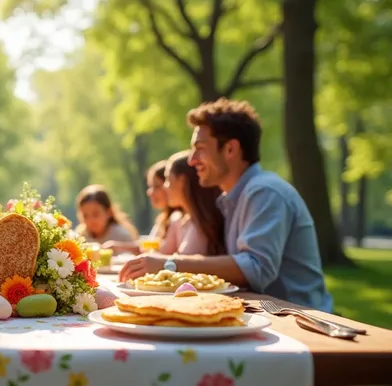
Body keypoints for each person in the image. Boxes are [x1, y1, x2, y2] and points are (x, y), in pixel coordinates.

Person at [120, 99, 333, 312]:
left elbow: (255, 269)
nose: (192, 160)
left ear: (230, 149)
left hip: (301, 320)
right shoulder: (234, 197)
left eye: (200, 149)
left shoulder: (265, 191)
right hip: (269, 314)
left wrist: (170, 264)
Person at [159, 150, 225, 256]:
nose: (165, 187)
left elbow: (184, 264)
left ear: (182, 181)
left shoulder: (201, 225)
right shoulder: (189, 220)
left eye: (168, 179)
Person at [75, 184, 138, 251]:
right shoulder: (80, 236)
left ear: (109, 212)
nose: (90, 220)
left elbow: (139, 252)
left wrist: (118, 247)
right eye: (85, 216)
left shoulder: (121, 235)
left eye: (95, 214)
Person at [145, 160, 179, 240]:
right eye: (150, 187)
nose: (150, 192)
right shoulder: (163, 218)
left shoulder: (177, 218)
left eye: (156, 186)